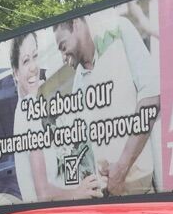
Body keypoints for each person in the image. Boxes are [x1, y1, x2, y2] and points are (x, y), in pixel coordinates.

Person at [53, 15, 159, 196]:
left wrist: (121, 168)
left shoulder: (117, 30)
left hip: (143, 192)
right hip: (108, 198)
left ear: (77, 24)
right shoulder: (78, 79)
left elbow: (151, 97)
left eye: (64, 46)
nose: (63, 57)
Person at [9, 32, 103, 203]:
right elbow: (43, 193)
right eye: (25, 61)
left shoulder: (28, 108)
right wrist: (78, 192)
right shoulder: (28, 111)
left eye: (35, 56)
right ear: (15, 73)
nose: (33, 67)